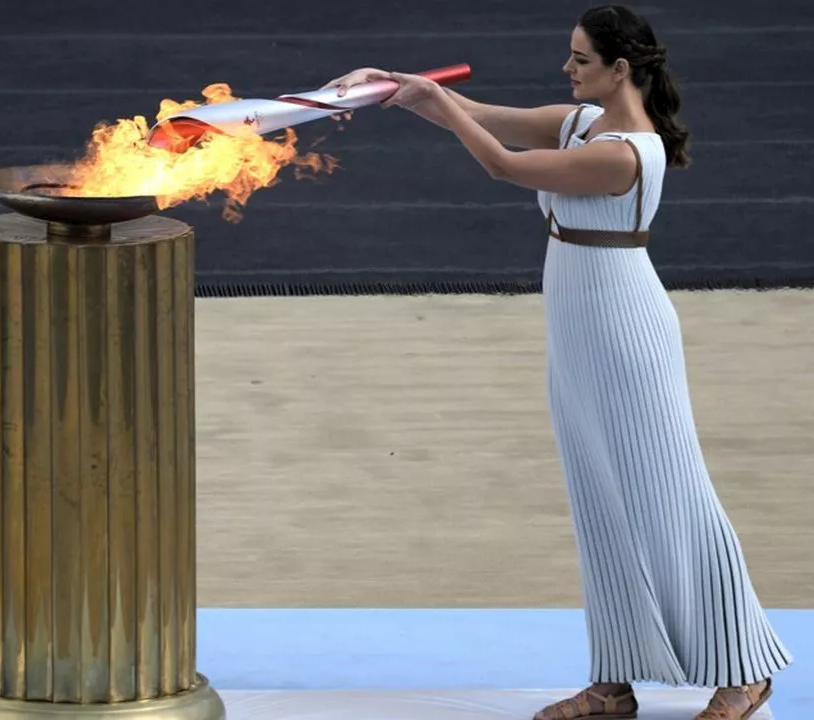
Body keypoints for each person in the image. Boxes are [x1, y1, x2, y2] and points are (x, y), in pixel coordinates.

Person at [325, 5, 790, 719]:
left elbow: (503, 164)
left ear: (619, 69)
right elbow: (482, 116)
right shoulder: (580, 123)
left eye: (579, 59)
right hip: (576, 325)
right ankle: (614, 681)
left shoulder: (627, 150)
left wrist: (437, 98)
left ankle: (745, 669)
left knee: (675, 495)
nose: (566, 70)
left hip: (627, 330)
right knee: (598, 503)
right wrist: (406, 88)